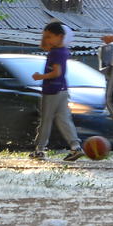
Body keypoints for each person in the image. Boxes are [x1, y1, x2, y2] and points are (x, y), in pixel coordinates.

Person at [30, 22, 85, 161]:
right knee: (63, 119)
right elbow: (45, 46)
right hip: (63, 90)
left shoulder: (55, 53)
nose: (47, 40)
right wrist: (47, 40)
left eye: (49, 36)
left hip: (52, 90)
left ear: (60, 36)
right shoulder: (63, 51)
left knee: (46, 120)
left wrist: (40, 77)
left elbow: (56, 72)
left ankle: (40, 149)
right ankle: (75, 147)